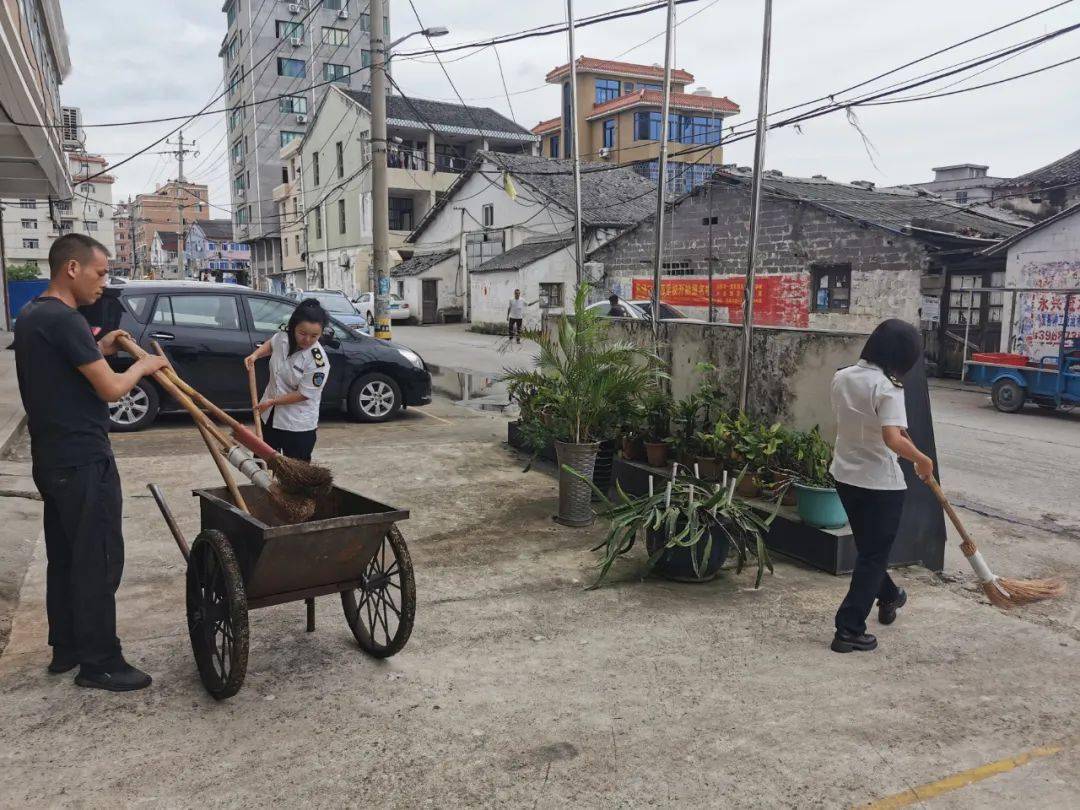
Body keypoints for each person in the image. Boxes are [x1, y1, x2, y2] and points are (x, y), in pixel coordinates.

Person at [14, 234, 171, 691]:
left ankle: (66, 648)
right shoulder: (65, 320)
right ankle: (101, 661)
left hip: (53, 458)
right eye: (100, 273)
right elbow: (112, 390)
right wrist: (144, 367)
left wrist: (106, 348)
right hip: (83, 459)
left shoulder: (33, 315)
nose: (105, 282)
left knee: (65, 557)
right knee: (98, 560)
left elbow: (68, 366)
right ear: (72, 269)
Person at [829, 319, 935, 654]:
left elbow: (869, 424)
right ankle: (848, 629)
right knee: (874, 555)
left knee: (869, 552)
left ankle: (889, 595)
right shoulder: (888, 388)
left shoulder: (842, 376)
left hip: (845, 474)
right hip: (879, 484)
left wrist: (902, 437)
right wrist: (922, 459)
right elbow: (891, 439)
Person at [244, 298, 331, 462]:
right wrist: (255, 355)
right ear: (293, 328)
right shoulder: (283, 337)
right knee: (262, 464)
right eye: (302, 333)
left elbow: (303, 394)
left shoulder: (318, 361)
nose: (307, 340)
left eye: (314, 336)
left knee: (296, 472)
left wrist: (271, 402)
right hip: (268, 417)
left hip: (297, 424)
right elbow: (272, 344)